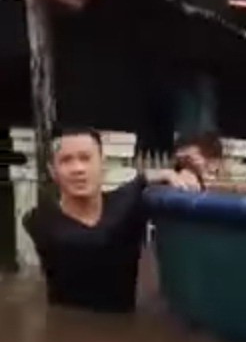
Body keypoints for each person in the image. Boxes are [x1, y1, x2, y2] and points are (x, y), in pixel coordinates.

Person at [23, 126, 200, 314]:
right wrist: (145, 180)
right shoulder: (40, 221)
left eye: (86, 158)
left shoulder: (127, 206)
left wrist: (182, 175)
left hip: (122, 329)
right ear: (53, 171)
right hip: (65, 334)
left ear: (103, 165)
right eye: (66, 161)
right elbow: (90, 239)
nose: (78, 169)